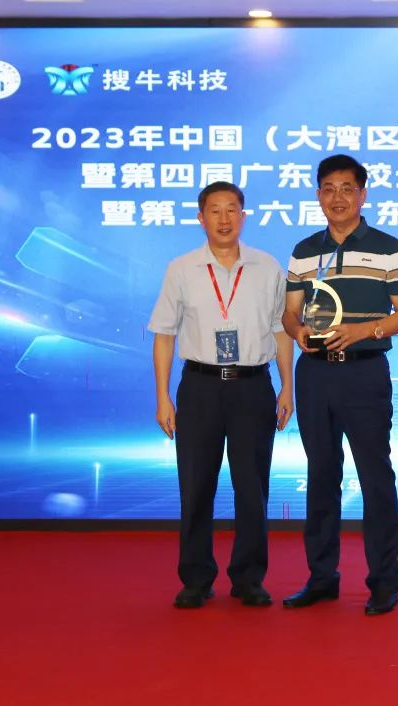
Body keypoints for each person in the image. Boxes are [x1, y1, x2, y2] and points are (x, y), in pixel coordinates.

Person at [281, 154, 398, 616]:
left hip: (364, 372)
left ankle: (384, 582)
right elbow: (289, 313)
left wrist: (363, 331)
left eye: (346, 188)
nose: (336, 197)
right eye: (328, 188)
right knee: (321, 476)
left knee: (375, 477)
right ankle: (322, 578)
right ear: (317, 194)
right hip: (315, 374)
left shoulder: (387, 247)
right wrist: (297, 331)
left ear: (362, 194)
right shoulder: (304, 250)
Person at [149, 181, 293, 609]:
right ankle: (196, 578)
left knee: (253, 487)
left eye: (232, 210)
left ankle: (249, 578)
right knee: (196, 486)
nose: (224, 219)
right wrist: (162, 397)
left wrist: (287, 386)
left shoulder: (267, 267)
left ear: (243, 217)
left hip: (253, 387)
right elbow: (163, 335)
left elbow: (281, 330)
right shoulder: (181, 268)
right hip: (200, 387)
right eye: (215, 210)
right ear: (201, 218)